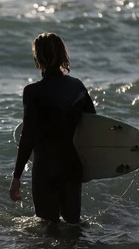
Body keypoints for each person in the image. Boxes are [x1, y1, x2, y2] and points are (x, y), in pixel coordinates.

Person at [9, 32, 96, 224]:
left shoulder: (32, 92)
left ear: (38, 57)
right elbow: (93, 126)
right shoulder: (77, 87)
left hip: (45, 168)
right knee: (73, 228)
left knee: (48, 231)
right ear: (62, 54)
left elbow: (28, 135)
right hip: (72, 166)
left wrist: (16, 177)